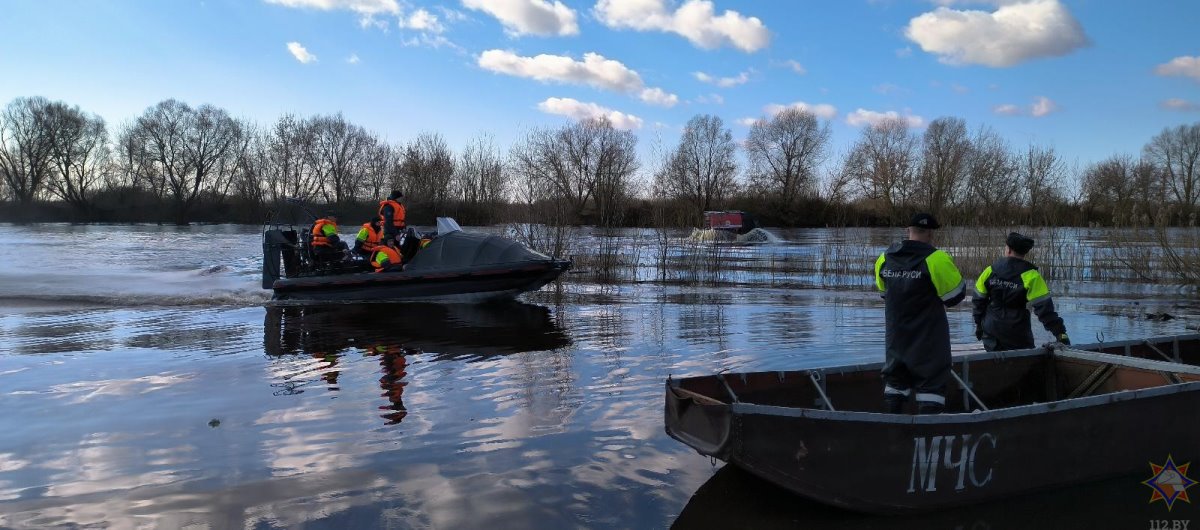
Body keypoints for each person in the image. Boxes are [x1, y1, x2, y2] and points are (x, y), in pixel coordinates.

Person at [874, 213, 966, 415]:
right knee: (931, 387)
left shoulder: (884, 258)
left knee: (895, 383)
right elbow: (955, 296)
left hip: (896, 341)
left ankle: (892, 435)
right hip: (928, 341)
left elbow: (884, 294)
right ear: (931, 234)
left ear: (908, 231)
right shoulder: (936, 258)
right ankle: (926, 436)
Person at [972, 232, 1069, 351]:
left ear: (1008, 250)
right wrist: (1060, 333)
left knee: (995, 364)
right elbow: (1045, 310)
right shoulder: (1032, 276)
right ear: (1025, 253)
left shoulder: (990, 270)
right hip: (1017, 332)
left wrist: (978, 324)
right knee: (1023, 365)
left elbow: (978, 300)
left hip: (991, 331)